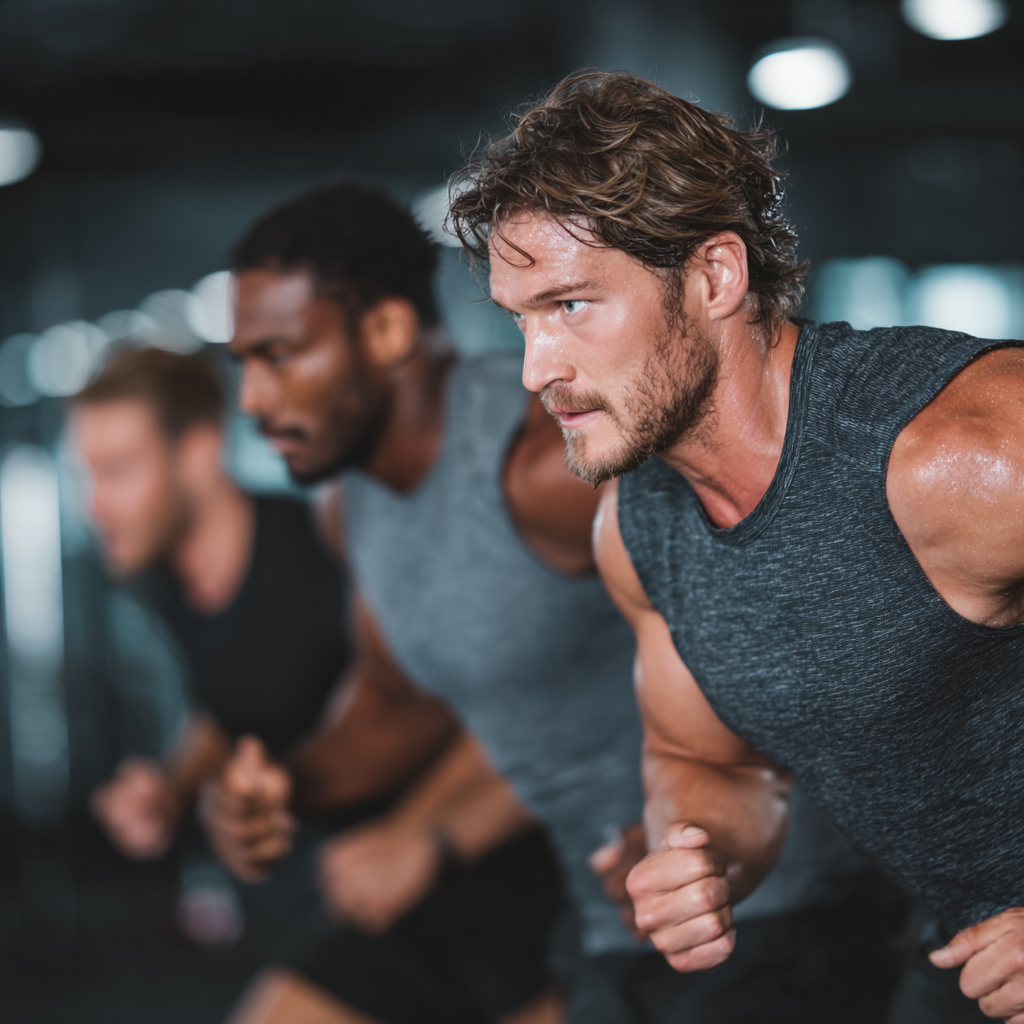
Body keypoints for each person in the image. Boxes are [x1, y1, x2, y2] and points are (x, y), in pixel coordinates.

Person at [219, 178, 902, 1024]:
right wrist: (286, 786)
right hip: (609, 925)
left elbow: (808, 611)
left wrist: (692, 827)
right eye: (242, 363)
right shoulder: (350, 504)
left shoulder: (549, 467)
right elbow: (396, 697)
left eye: (278, 356)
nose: (251, 399)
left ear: (388, 330)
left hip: (777, 915)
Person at [449, 70, 1024, 1023]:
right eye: (521, 318)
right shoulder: (638, 529)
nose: (536, 368)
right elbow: (713, 761)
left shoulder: (964, 452)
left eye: (571, 306)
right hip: (960, 961)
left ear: (715, 275)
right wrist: (700, 854)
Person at [74, 348, 562, 1024]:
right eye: (88, 474)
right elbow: (233, 706)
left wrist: (425, 837)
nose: (92, 503)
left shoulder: (322, 554)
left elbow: (495, 703)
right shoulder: (167, 583)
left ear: (197, 451)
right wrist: (173, 788)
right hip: (360, 901)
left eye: (117, 471)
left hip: (494, 877)